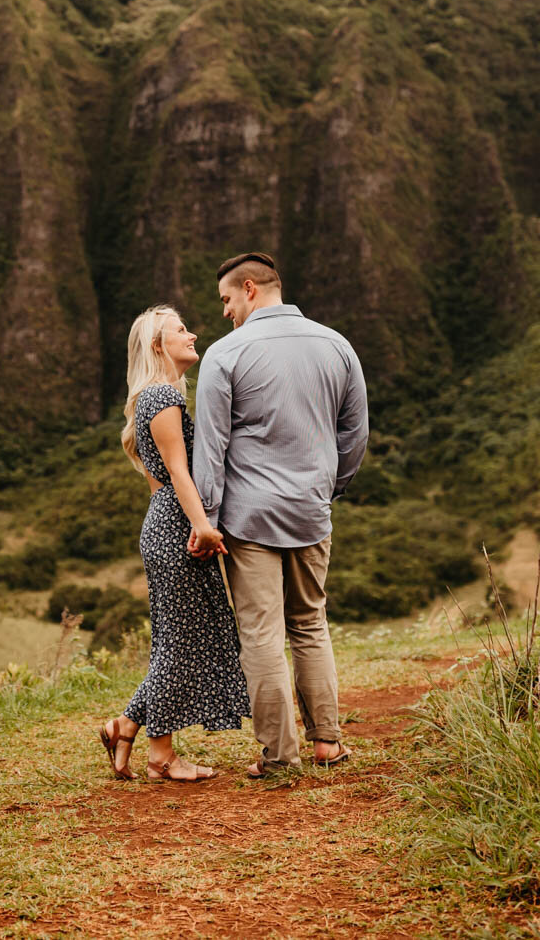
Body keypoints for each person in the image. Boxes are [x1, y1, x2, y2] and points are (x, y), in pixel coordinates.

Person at [193, 252, 368, 777]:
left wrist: (207, 519)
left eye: (225, 299)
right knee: (310, 622)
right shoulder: (336, 346)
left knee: (262, 633)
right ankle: (327, 743)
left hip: (249, 521)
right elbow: (354, 435)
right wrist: (326, 491)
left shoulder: (225, 355)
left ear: (249, 289)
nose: (224, 312)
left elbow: (212, 449)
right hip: (311, 512)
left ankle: (279, 755)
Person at [98, 305, 251, 782]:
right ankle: (160, 756)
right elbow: (177, 473)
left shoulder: (155, 396)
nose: (192, 334)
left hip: (166, 522)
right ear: (157, 346)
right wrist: (202, 525)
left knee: (178, 640)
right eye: (180, 330)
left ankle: (125, 727)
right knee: (179, 643)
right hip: (178, 527)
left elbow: (156, 482)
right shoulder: (161, 396)